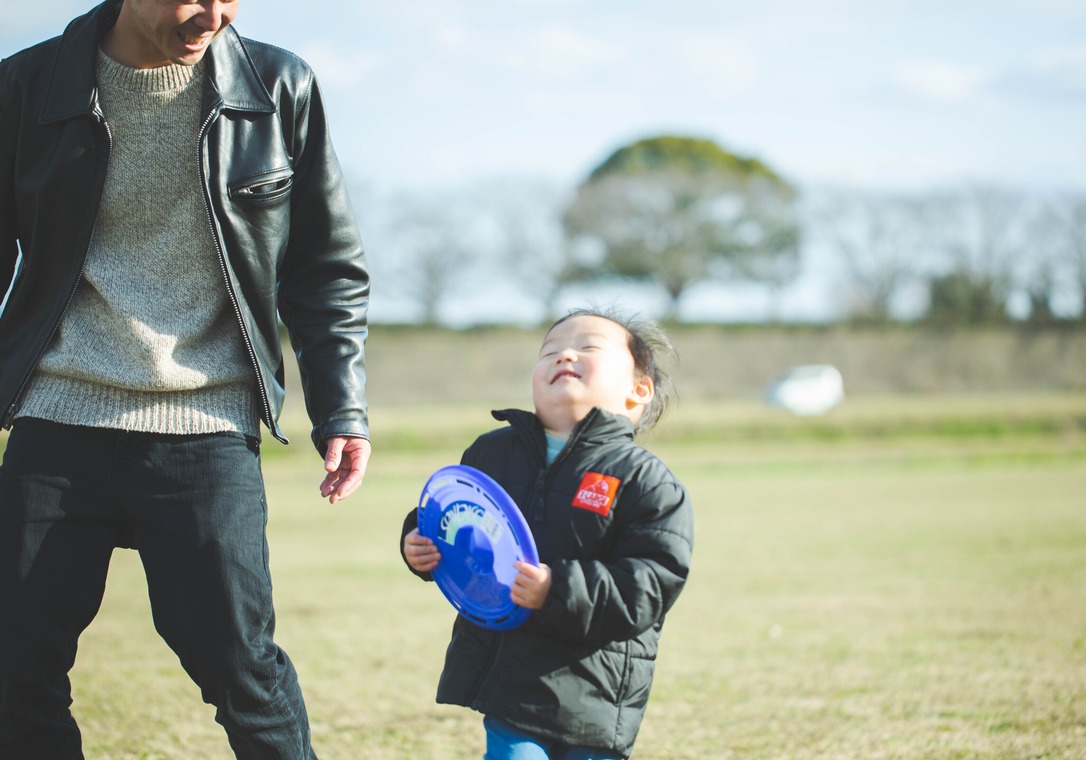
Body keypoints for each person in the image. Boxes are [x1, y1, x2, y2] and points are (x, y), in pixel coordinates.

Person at [0, 1, 371, 757]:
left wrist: (343, 409)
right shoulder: (28, 85)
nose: (212, 14)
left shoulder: (278, 85)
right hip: (59, 413)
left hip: (206, 427)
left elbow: (325, 270)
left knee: (240, 667)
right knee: (14, 668)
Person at [402, 307, 694, 760]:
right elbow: (450, 513)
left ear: (638, 391)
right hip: (509, 681)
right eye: (550, 351)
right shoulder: (492, 453)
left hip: (593, 689)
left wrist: (555, 588)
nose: (565, 356)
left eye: (588, 348)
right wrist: (418, 544)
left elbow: (651, 583)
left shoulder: (645, 480)